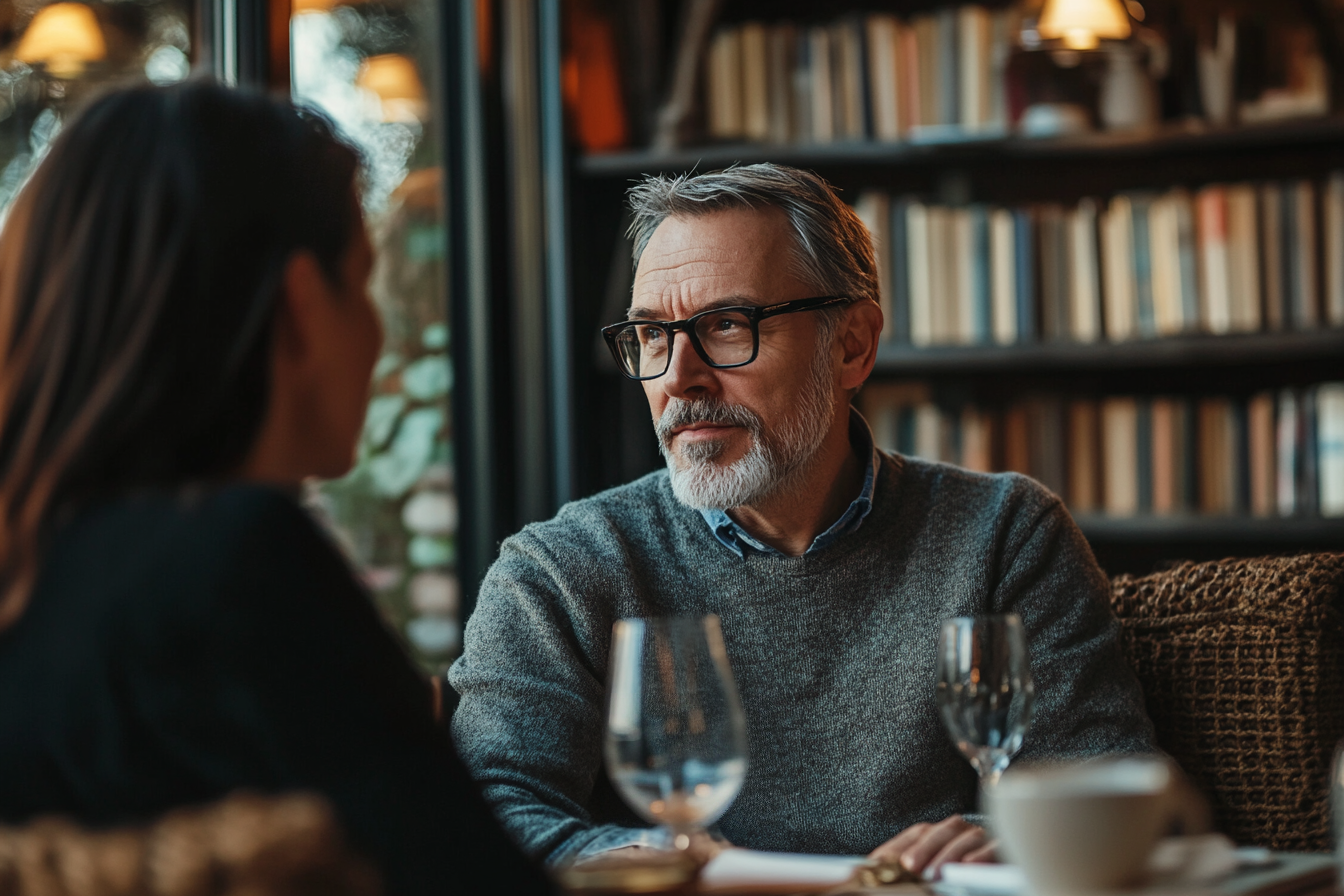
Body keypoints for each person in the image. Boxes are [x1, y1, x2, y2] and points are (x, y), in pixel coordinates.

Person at [450, 163, 1155, 874]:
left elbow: (1102, 779)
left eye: (727, 325)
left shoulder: (1004, 533)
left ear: (851, 345)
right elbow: (486, 808)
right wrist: (681, 868)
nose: (676, 376)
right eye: (652, 336)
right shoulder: (562, 568)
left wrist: (1002, 837)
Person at [0, 83, 553, 896]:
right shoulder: (232, 561)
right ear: (299, 303)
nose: (378, 332)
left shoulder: (33, 567)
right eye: (363, 284)